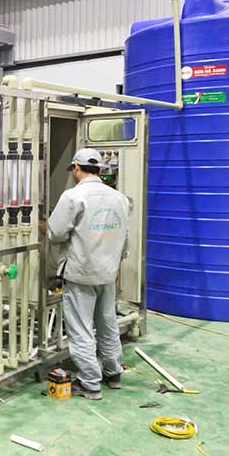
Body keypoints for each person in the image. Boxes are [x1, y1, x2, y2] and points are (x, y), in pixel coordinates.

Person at [46, 148, 130, 400]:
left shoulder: (73, 196)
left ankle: (90, 382)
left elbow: (55, 233)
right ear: (100, 170)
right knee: (107, 323)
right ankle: (113, 373)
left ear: (76, 168)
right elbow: (124, 238)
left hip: (80, 272)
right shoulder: (119, 198)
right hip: (108, 272)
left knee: (81, 329)